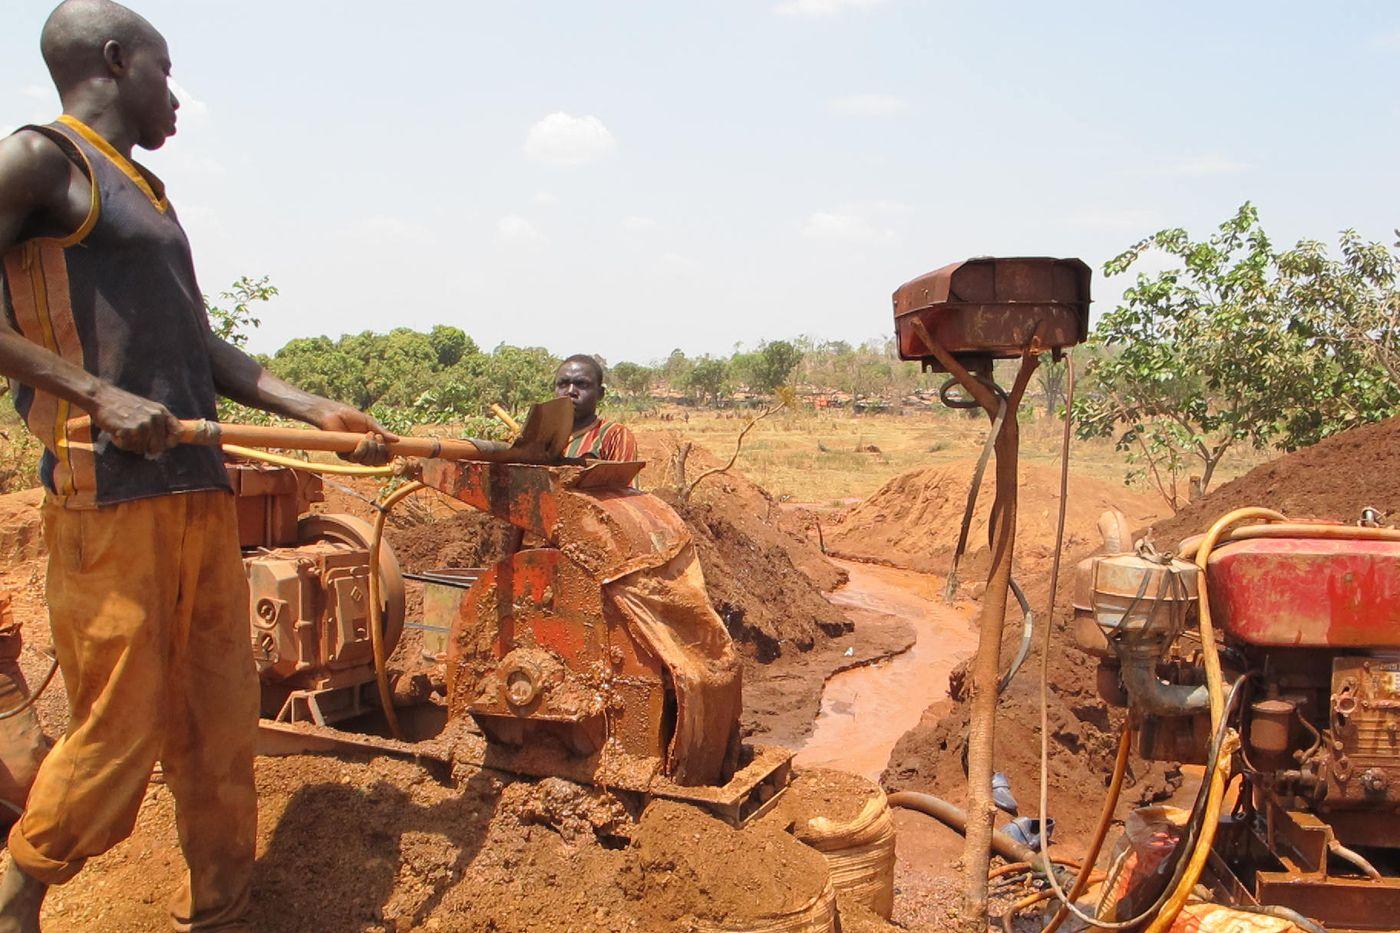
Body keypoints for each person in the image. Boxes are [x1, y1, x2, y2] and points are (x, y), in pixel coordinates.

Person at [0, 2, 392, 930]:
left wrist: (315, 409)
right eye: (166, 72)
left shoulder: (150, 197)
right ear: (115, 58)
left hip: (194, 493)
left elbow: (199, 345)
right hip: (108, 498)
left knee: (220, 725)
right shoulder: (38, 161)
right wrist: (95, 395)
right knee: (118, 729)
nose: (175, 96)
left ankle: (222, 909)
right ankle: (20, 896)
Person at [554, 354, 637, 462]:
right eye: (563, 384)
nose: (570, 391)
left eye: (581, 384)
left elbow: (624, 478)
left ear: (600, 393)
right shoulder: (539, 436)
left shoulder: (614, 436)